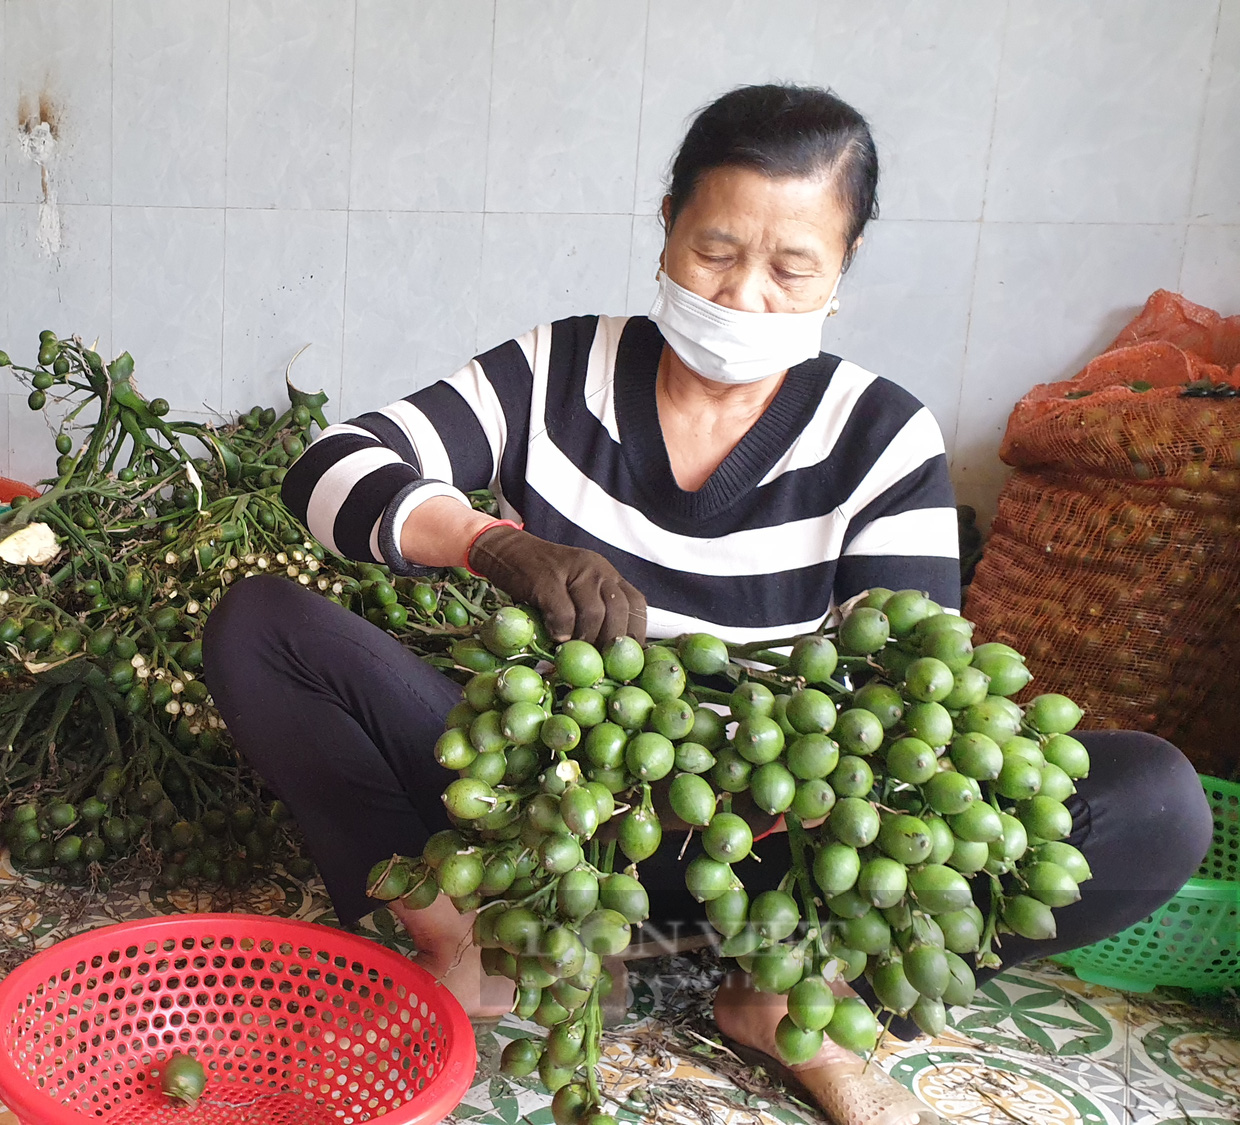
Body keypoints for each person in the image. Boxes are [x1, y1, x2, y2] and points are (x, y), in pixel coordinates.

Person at [205, 85, 1211, 1125]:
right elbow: (329, 466)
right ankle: (464, 931)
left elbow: (912, 697)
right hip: (536, 809)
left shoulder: (880, 437)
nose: (742, 300)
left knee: (1151, 804)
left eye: (790, 270)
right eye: (714, 252)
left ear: (843, 267)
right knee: (260, 626)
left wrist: (776, 799)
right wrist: (489, 542)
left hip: (775, 850)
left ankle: (786, 994)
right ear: (666, 228)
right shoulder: (556, 370)